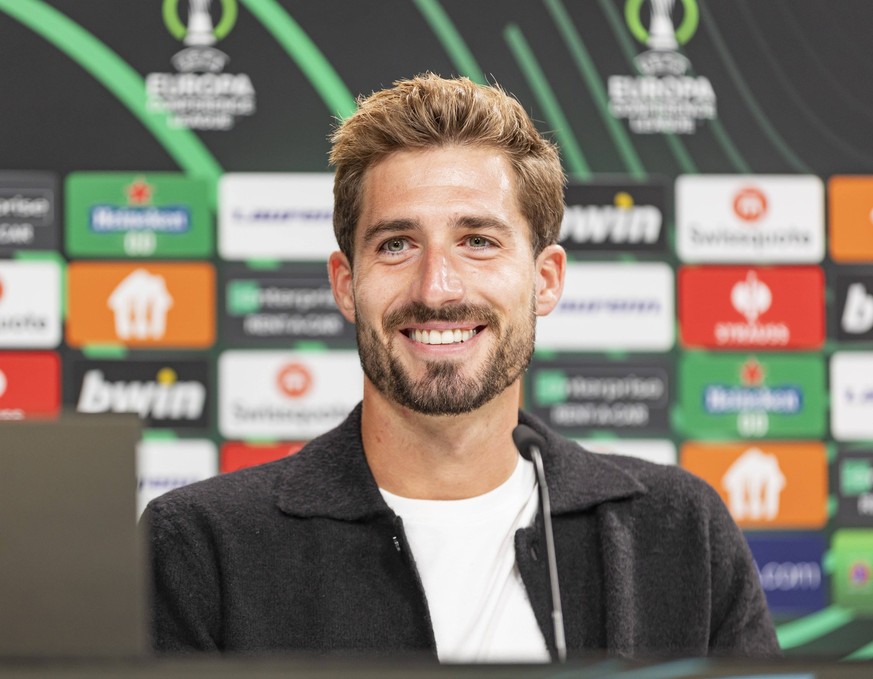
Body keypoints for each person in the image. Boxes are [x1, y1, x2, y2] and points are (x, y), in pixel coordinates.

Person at [145, 73, 780, 661]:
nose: (438, 287)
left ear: (545, 279)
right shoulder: (201, 547)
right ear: (345, 285)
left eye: (478, 241)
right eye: (397, 244)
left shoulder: (677, 531)